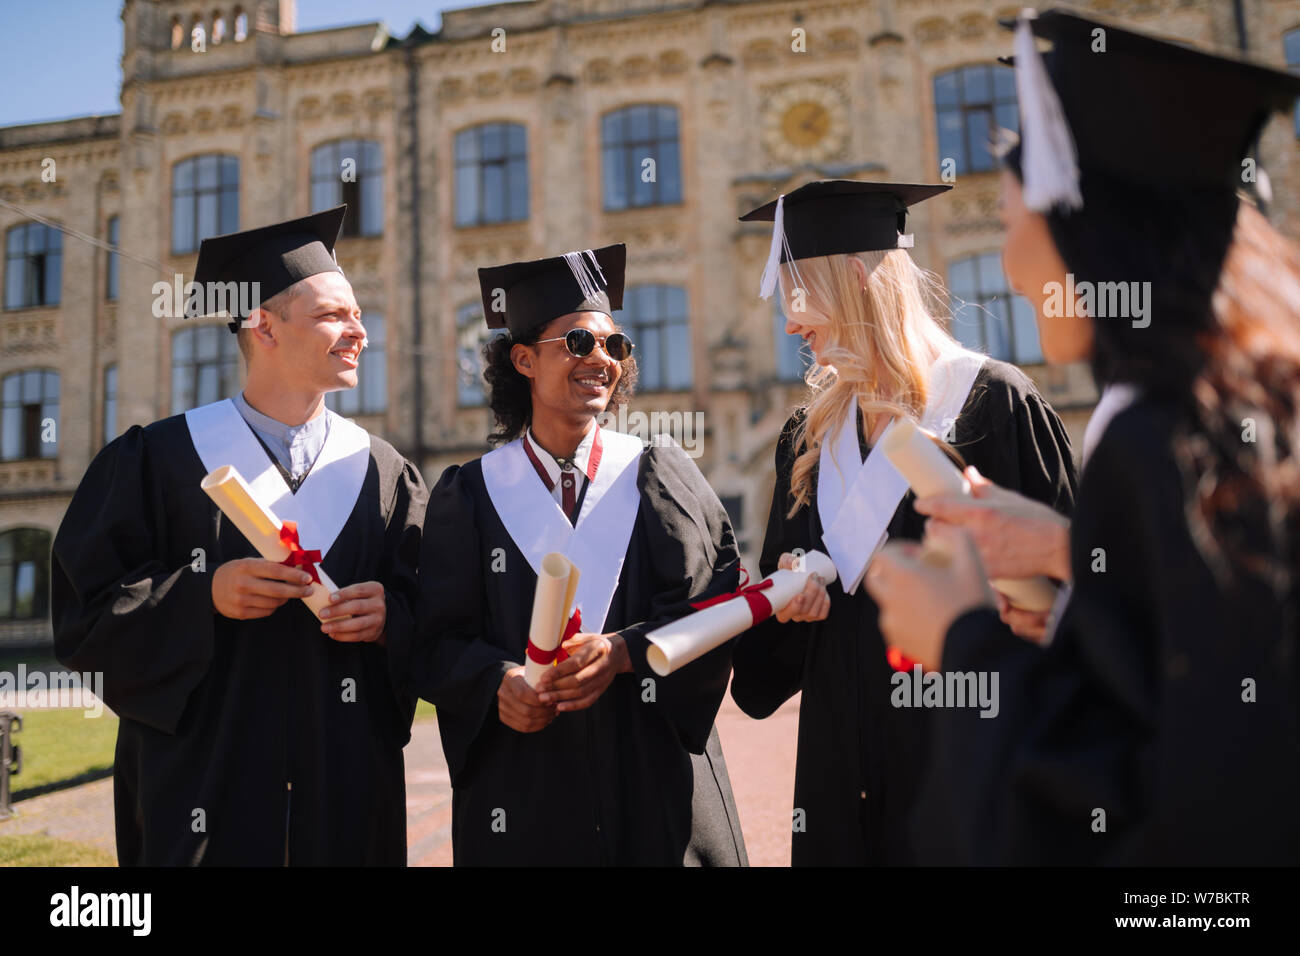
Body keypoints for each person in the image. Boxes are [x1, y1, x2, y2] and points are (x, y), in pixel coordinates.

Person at [866, 8, 1300, 864]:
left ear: (1085, 229)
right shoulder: (1247, 412)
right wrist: (1070, 562)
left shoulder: (1159, 441)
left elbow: (1180, 820)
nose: (1010, 258)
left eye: (1014, 216)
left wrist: (961, 638)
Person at [51, 206, 427, 865]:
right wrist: (200, 597)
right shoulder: (156, 461)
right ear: (264, 325)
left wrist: (392, 618)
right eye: (334, 316)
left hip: (345, 787)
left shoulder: (382, 473)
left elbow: (445, 612)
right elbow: (84, 617)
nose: (358, 333)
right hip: (200, 784)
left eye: (359, 316)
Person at [729, 180, 1077, 865]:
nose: (791, 325)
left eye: (800, 298)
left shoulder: (995, 405)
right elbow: (775, 666)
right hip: (838, 775)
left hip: (969, 766)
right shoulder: (807, 441)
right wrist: (787, 606)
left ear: (857, 282)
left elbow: (1081, 604)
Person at [412, 244, 747, 865]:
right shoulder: (471, 496)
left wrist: (627, 652)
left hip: (656, 785)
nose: (601, 359)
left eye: (615, 347)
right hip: (526, 794)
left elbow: (719, 607)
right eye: (578, 343)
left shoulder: (661, 473)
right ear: (523, 360)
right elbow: (435, 640)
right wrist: (495, 683)